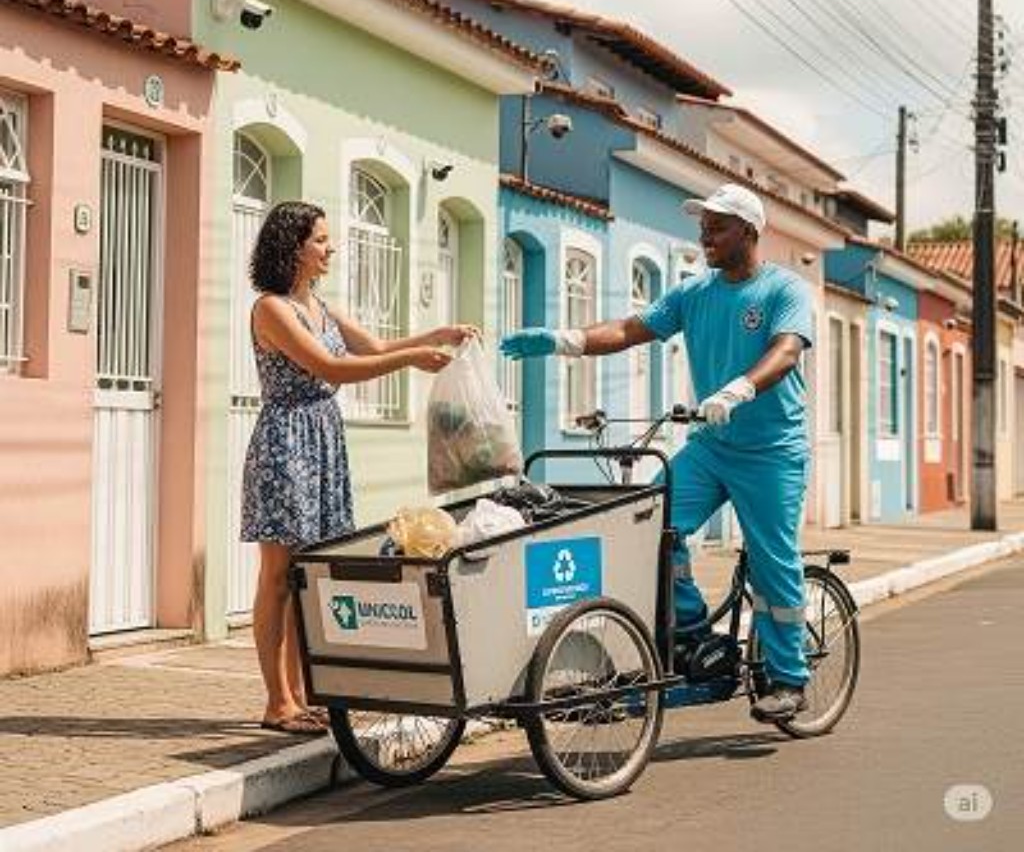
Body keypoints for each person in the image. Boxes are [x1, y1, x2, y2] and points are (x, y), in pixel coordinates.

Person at [500, 183, 813, 723]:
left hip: (771, 451)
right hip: (711, 448)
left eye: (718, 227)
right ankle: (691, 631)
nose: (706, 236)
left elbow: (786, 350)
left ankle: (789, 678)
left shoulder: (784, 289)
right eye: (703, 226)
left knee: (772, 561)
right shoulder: (694, 293)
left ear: (749, 232)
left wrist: (739, 390)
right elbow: (628, 329)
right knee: (650, 528)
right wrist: (563, 340)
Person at [243, 200, 477, 734]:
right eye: (321, 240)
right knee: (278, 575)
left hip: (322, 439)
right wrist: (410, 361)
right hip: (286, 443)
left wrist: (437, 334)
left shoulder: (318, 306)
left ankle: (301, 695)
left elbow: (375, 346)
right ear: (293, 247)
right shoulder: (272, 309)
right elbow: (332, 366)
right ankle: (277, 702)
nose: (331, 249)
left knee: (306, 574)